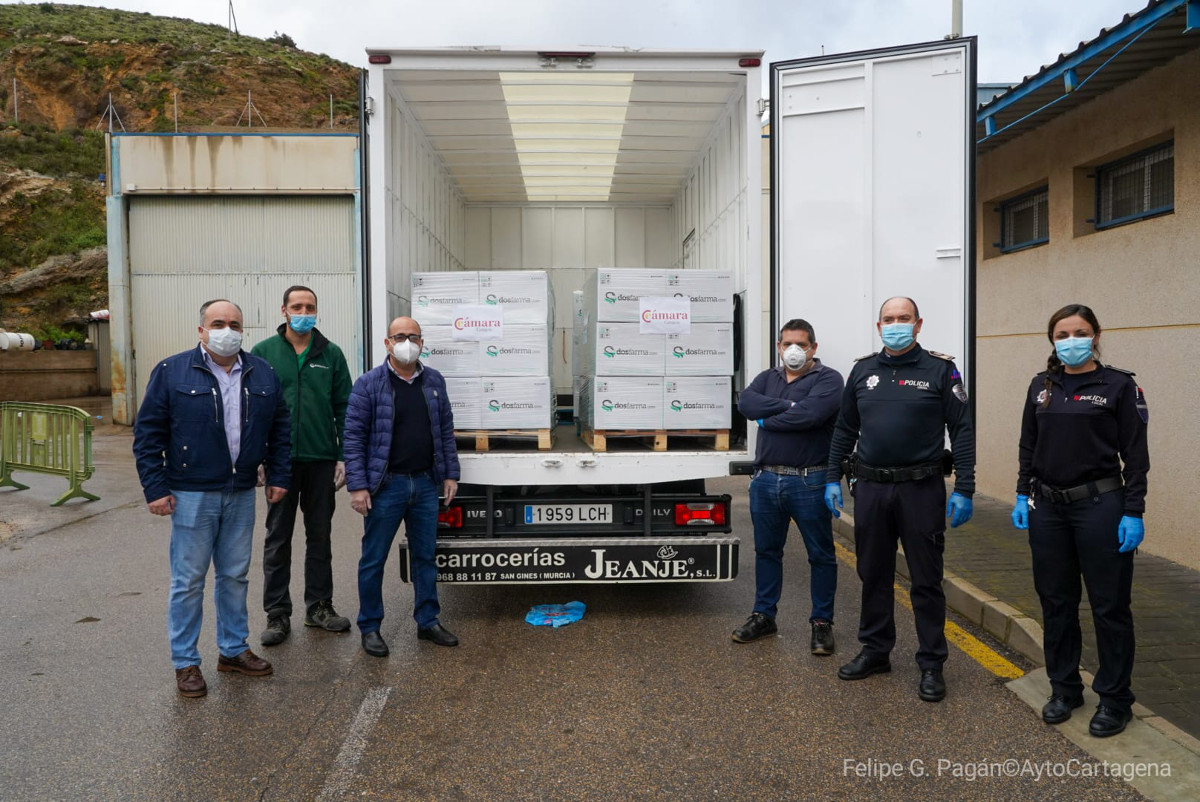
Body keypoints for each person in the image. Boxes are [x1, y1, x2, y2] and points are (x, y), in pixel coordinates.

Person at [133, 299, 291, 698]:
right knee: (188, 582)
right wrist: (155, 488)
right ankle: (185, 663)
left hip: (240, 492)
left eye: (234, 323)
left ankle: (233, 650)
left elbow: (281, 429)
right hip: (191, 493)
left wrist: (279, 475)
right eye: (218, 323)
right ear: (201, 330)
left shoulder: (262, 372)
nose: (227, 330)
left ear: (244, 330)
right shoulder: (172, 371)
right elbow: (148, 435)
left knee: (235, 576)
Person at [825, 296, 975, 703]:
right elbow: (844, 429)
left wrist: (965, 488)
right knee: (873, 574)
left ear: (918, 324)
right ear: (878, 327)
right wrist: (832, 477)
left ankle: (931, 663)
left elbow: (961, 430)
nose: (896, 324)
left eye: (903, 318)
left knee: (926, 580)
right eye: (888, 319)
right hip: (871, 489)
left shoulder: (941, 370)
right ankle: (876, 651)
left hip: (921, 489)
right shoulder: (863, 370)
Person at [1010, 304, 1149, 738]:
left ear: (1096, 335)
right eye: (1063, 333)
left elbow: (1137, 456)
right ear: (1052, 339)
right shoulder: (1041, 386)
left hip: (1100, 507)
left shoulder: (1119, 386)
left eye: (1081, 331)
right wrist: (1020, 492)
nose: (1072, 340)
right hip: (1047, 509)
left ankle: (1114, 699)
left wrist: (1134, 510)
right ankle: (1065, 687)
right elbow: (1027, 445)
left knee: (1109, 605)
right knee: (1056, 601)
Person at [343, 316, 461, 657]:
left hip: (425, 483)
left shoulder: (434, 381)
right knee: (373, 559)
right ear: (387, 342)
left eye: (412, 336)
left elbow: (445, 431)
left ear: (422, 343)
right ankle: (370, 626)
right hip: (386, 486)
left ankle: (428, 621)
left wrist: (450, 474)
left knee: (425, 557)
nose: (406, 342)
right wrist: (357, 486)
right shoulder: (368, 384)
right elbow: (353, 438)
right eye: (400, 336)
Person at [732, 319, 845, 654]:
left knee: (820, 555)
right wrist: (789, 407)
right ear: (779, 346)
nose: (793, 350)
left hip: (809, 481)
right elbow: (746, 404)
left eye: (801, 343)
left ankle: (822, 624)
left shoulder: (828, 379)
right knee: (767, 552)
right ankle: (764, 616)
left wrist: (770, 417)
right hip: (765, 480)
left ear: (813, 347)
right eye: (786, 343)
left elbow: (811, 416)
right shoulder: (768, 378)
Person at [252, 285, 353, 646]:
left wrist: (345, 455)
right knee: (277, 538)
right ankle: (277, 614)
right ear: (283, 310)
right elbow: (252, 408)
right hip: (278, 463)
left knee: (320, 535)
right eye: (297, 306)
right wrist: (257, 457)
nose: (304, 311)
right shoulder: (263, 353)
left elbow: (344, 407)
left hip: (321, 459)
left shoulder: (331, 353)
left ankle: (319, 607)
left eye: (310, 306)